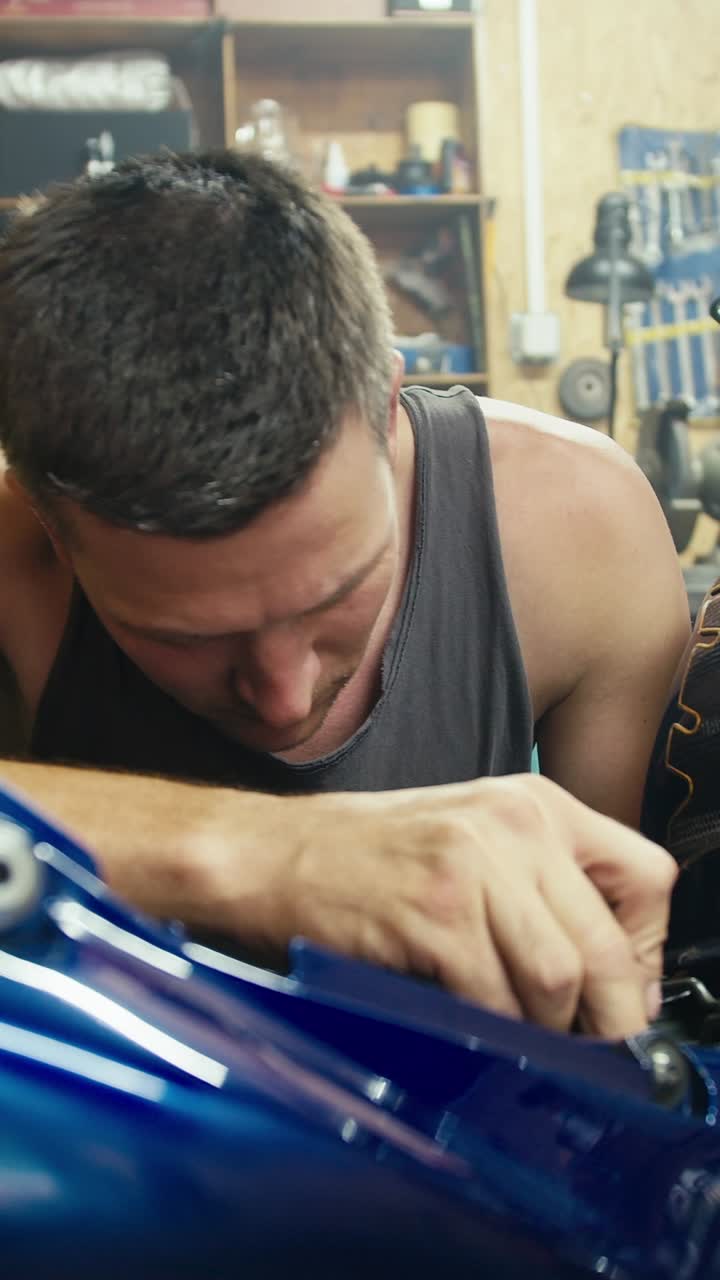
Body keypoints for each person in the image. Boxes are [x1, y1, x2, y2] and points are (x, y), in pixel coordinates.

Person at [0, 150, 690, 1038]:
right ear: (47, 520)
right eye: (186, 637)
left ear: (387, 406)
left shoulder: (579, 527)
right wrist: (272, 856)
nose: (282, 698)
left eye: (336, 597)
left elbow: (615, 980)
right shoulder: (11, 553)